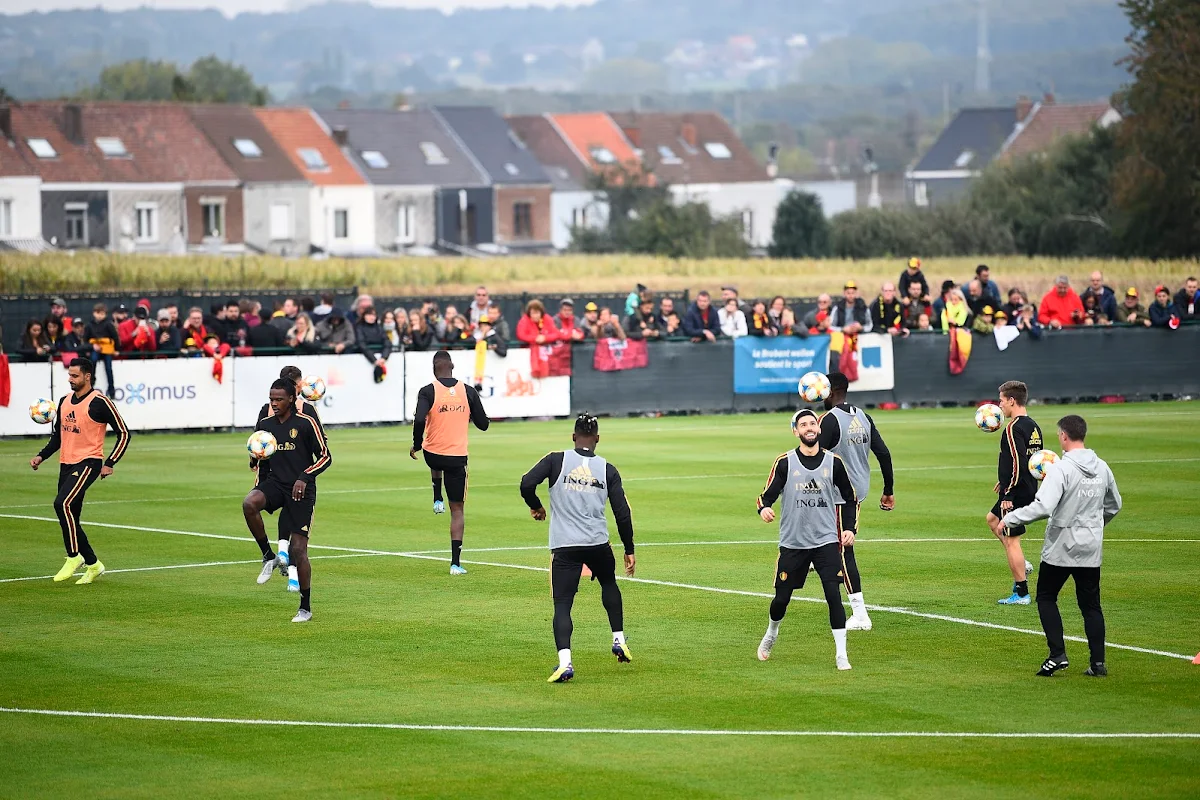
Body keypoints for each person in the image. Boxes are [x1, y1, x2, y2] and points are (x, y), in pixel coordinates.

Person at [1002, 415, 1121, 677]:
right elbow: (1115, 505)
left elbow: (1044, 506)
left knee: (1046, 597)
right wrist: (1094, 526)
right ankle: (1098, 664)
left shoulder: (1061, 469)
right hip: (1090, 548)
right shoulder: (1102, 467)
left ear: (1064, 436)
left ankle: (1057, 655)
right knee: (1091, 605)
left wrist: (1010, 518)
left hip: (1061, 547)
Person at [520, 413, 636, 683]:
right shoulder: (608, 469)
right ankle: (618, 639)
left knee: (562, 605)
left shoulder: (555, 460)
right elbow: (622, 513)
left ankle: (565, 663)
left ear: (573, 437)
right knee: (609, 584)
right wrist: (629, 548)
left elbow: (526, 483)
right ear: (597, 438)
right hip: (598, 544)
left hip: (565, 546)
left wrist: (535, 506)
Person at [755, 409, 859, 671]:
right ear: (796, 431)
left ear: (819, 429)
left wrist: (849, 529)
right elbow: (765, 496)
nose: (809, 428)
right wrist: (764, 509)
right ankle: (772, 633)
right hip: (793, 542)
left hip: (826, 541)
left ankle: (841, 654)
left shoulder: (833, 463)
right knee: (781, 599)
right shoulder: (785, 462)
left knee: (834, 596)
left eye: (813, 423)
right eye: (803, 424)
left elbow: (850, 497)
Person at [29, 357, 132, 586]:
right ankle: (94, 564)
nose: (70, 379)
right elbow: (58, 437)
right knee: (71, 518)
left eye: (75, 375)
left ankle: (74, 557)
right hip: (66, 464)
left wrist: (110, 462)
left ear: (87, 376)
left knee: (61, 504)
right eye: (69, 375)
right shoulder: (64, 401)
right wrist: (41, 456)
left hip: (89, 463)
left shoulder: (100, 402)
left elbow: (124, 433)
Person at [243, 379, 331, 622]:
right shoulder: (265, 425)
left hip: (301, 490)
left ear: (292, 399)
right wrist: (255, 459)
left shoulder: (305, 424)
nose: (274, 403)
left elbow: (325, 456)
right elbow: (263, 459)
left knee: (298, 550)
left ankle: (305, 607)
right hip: (276, 485)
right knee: (249, 503)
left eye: (279, 399)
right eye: (271, 398)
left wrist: (305, 476)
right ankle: (268, 555)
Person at [818, 372, 895, 632]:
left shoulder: (828, 420)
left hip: (838, 495)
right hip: (854, 492)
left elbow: (813, 457)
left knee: (842, 549)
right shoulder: (863, 416)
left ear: (830, 391)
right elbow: (883, 453)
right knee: (826, 545)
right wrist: (888, 489)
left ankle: (860, 613)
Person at [411, 351, 491, 572]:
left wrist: (417, 444)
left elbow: (418, 419)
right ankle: (455, 563)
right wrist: (471, 411)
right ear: (452, 366)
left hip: (432, 455)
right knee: (458, 511)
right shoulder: (468, 391)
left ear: (433, 368)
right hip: (456, 458)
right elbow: (483, 424)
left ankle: (437, 497)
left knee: (435, 453)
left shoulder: (427, 391)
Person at [988, 380, 1044, 606]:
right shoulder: (1033, 425)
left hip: (1016, 492)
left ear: (1012, 400)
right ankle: (1023, 565)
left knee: (1012, 540)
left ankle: (1021, 592)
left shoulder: (1012, 427)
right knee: (992, 520)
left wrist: (1008, 492)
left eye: (1001, 400)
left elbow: (1019, 462)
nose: (999, 405)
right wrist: (1003, 481)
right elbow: (1035, 460)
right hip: (1026, 486)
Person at [84, 303, 119, 396]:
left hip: (107, 349)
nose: (99, 316)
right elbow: (85, 339)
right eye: (97, 313)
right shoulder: (89, 325)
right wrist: (88, 349)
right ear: (93, 313)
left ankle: (111, 389)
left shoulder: (108, 324)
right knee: (92, 361)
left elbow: (115, 337)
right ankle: (91, 382)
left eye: (102, 313)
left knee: (108, 368)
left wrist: (116, 349)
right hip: (95, 348)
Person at [354, 306, 393, 380]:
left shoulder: (379, 328)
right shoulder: (359, 328)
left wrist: (384, 357)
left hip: (380, 358)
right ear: (364, 316)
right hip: (366, 360)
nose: (371, 317)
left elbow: (387, 342)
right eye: (369, 315)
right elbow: (362, 344)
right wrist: (374, 360)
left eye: (373, 315)